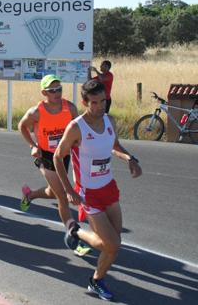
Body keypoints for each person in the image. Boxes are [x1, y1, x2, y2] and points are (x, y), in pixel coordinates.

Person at [54, 79, 142, 301]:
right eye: (94, 102)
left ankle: (75, 232)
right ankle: (95, 281)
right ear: (85, 102)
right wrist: (69, 190)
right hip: (88, 193)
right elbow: (58, 156)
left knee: (112, 240)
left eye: (103, 101)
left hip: (109, 188)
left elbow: (114, 146)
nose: (100, 106)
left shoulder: (109, 120)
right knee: (113, 245)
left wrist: (130, 158)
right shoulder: (76, 127)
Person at [17, 75, 91, 256]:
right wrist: (33, 146)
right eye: (52, 90)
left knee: (53, 191)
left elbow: (79, 127)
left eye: (59, 89)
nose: (57, 93)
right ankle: (73, 237)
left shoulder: (70, 108)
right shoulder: (37, 112)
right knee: (62, 196)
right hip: (46, 156)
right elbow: (22, 126)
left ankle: (30, 195)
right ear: (44, 93)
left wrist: (77, 142)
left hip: (63, 155)